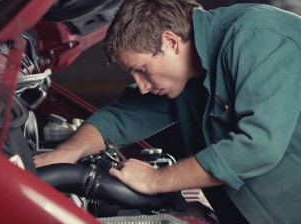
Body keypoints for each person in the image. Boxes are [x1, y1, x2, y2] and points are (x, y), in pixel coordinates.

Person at [34, 0, 301, 223]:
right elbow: (120, 116)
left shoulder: (257, 37)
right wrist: (65, 154)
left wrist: (155, 179)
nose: (141, 85)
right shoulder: (184, 75)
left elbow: (258, 147)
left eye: (141, 70)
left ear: (170, 42)